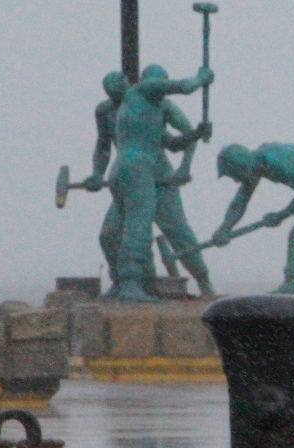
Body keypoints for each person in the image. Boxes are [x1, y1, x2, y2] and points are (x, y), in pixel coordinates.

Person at [87, 70, 216, 298]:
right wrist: (202, 77)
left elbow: (174, 142)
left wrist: (195, 136)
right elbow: (185, 86)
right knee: (122, 231)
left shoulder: (153, 107)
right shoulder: (133, 96)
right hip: (134, 171)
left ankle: (202, 279)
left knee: (176, 231)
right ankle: (127, 282)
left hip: (157, 177)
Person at [212, 143, 294, 294]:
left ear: (241, 166)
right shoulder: (257, 165)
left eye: (234, 175)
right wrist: (225, 228)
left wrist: (281, 215)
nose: (236, 181)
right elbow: (240, 202)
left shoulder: (275, 161)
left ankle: (293, 282)